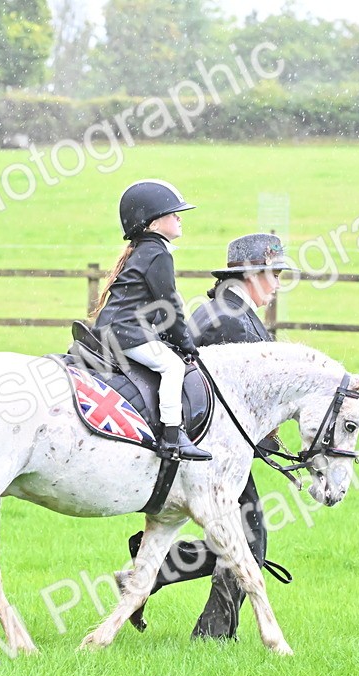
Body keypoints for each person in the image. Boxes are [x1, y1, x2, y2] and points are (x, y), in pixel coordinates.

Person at [117, 232, 296, 638]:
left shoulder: (229, 311)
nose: (278, 283)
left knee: (248, 535)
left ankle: (158, 576)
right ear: (250, 275)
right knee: (248, 540)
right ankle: (212, 635)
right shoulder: (229, 319)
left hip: (206, 444)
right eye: (274, 273)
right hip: (208, 449)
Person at [91, 180, 210, 461]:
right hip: (126, 333)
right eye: (173, 214)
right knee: (172, 366)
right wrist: (187, 345)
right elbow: (170, 305)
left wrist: (170, 337)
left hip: (118, 329)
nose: (179, 218)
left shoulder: (147, 250)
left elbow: (156, 310)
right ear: (154, 224)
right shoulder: (157, 253)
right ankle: (173, 435)